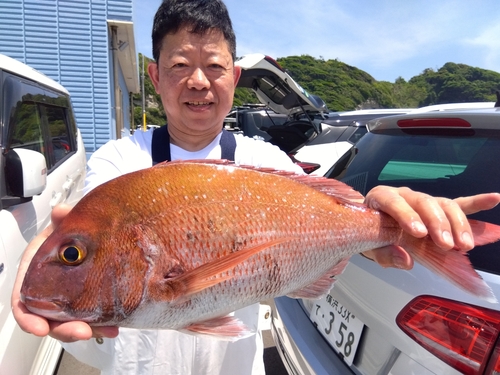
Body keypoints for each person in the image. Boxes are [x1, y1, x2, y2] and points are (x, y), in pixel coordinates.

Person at [11, 0, 500, 374]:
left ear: (235, 78)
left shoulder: (263, 161)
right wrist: (58, 256)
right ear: (156, 77)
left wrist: (383, 227)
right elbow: (93, 229)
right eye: (180, 66)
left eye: (215, 66)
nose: (198, 81)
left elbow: (325, 231)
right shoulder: (120, 162)